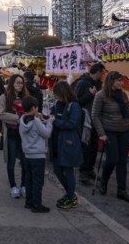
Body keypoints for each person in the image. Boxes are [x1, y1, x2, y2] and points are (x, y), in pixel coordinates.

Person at [92, 71, 129, 204]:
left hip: (125, 131)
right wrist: (101, 133)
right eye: (119, 80)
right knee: (112, 160)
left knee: (122, 162)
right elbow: (95, 115)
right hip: (110, 131)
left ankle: (121, 190)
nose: (121, 83)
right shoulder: (100, 95)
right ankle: (104, 180)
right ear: (111, 81)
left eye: (122, 80)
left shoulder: (123, 95)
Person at [50, 80, 83, 210]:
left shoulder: (74, 106)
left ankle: (71, 197)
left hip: (68, 142)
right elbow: (53, 117)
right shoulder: (57, 104)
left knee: (68, 170)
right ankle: (70, 194)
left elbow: (72, 123)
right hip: (56, 141)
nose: (56, 96)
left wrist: (55, 122)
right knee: (57, 170)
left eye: (57, 94)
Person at [19, 96, 53, 213]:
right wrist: (49, 123)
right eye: (37, 107)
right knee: (38, 181)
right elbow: (46, 134)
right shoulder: (35, 121)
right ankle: (37, 204)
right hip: (38, 156)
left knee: (29, 180)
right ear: (33, 108)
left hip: (27, 155)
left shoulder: (22, 120)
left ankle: (28, 202)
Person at [74, 63, 106, 183]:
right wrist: (90, 94)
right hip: (85, 119)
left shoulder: (99, 85)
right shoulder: (82, 82)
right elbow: (77, 101)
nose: (102, 76)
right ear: (97, 72)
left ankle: (90, 169)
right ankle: (83, 171)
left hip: (96, 120)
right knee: (86, 146)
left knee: (94, 146)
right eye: (102, 73)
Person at [0, 73, 29, 199]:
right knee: (11, 162)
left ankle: (24, 185)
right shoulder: (4, 97)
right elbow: (0, 114)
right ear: (12, 83)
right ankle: (13, 186)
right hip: (10, 133)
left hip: (24, 135)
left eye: (21, 83)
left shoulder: (26, 97)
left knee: (25, 161)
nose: (19, 85)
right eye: (17, 82)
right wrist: (18, 118)